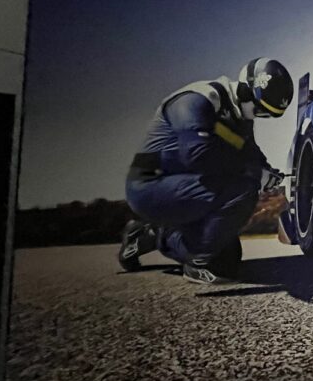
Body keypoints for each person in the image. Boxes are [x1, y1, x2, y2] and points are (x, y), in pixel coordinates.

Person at [118, 58, 294, 284]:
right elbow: (197, 155)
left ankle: (150, 236)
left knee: (226, 260)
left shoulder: (238, 116)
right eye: (260, 110)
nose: (260, 116)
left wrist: (267, 170)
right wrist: (256, 174)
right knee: (243, 189)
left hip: (189, 186)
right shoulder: (195, 100)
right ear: (245, 91)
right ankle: (195, 261)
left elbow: (248, 151)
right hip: (149, 184)